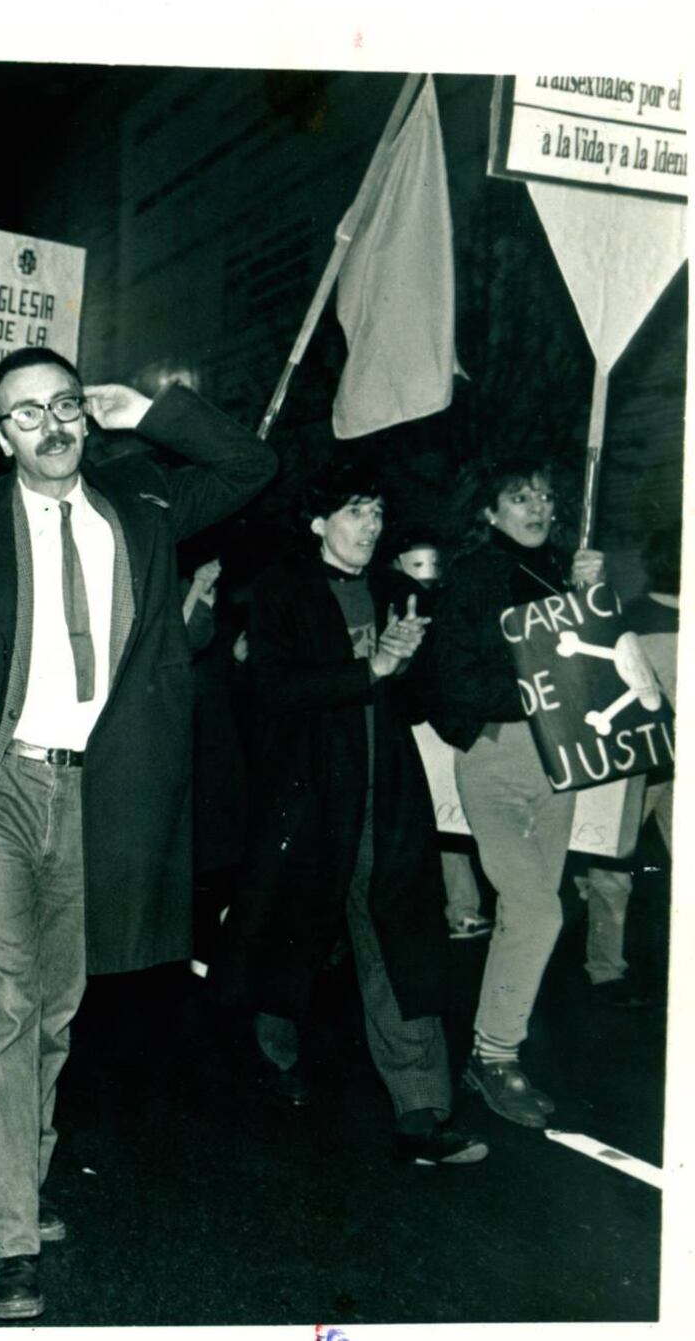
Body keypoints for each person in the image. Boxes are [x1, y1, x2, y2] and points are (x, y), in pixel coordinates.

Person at [0, 348, 275, 1320]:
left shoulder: (140, 504)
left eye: (63, 405)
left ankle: (27, 1170)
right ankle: (5, 1236)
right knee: (4, 1011)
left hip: (97, 793)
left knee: (55, 1011)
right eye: (25, 414)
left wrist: (154, 409)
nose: (51, 425)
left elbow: (248, 468)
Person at [218, 468, 486, 1167]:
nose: (368, 524)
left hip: (385, 791)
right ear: (318, 522)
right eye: (353, 511)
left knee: (399, 931)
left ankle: (421, 1109)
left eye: (376, 510)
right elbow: (273, 688)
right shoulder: (282, 589)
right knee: (294, 926)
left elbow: (422, 698)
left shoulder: (399, 590)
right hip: (309, 791)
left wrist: (421, 662)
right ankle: (274, 1055)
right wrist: (369, 667)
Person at [429, 456, 657, 1127]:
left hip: (562, 765)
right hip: (498, 759)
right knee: (539, 912)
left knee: (522, 913)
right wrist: (537, 687)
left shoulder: (568, 571)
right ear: (489, 511)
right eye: (518, 496)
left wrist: (594, 600)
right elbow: (456, 687)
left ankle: (488, 1045)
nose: (536, 507)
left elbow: (605, 672)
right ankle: (496, 1055)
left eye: (545, 497)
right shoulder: (470, 578)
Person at [574, 523, 678, 1009]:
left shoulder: (633, 617)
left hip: (656, 768)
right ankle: (604, 973)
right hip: (641, 767)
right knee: (611, 872)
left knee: (611, 874)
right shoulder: (631, 619)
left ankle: (606, 973)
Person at [388, 529, 492, 941]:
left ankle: (461, 907)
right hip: (407, 722)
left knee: (450, 815)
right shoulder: (384, 598)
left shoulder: (448, 602)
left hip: (438, 722)